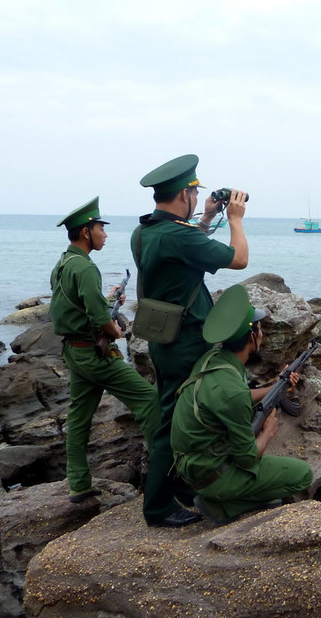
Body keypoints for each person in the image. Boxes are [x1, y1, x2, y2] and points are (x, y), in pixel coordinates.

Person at [133, 154, 248, 527]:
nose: (198, 199)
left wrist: (208, 218)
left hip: (163, 337)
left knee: (177, 415)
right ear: (184, 194)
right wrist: (235, 219)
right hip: (186, 343)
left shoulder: (146, 231)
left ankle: (181, 485)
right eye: (195, 194)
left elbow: (187, 245)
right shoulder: (178, 236)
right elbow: (239, 259)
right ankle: (157, 507)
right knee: (174, 424)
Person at [49, 197, 160, 505]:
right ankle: (163, 477)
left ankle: (79, 484)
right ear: (86, 232)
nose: (105, 234)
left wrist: (108, 301)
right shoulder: (85, 267)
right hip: (93, 354)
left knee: (79, 418)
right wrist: (117, 331)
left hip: (75, 352)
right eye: (100, 228)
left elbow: (76, 305)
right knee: (150, 400)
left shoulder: (63, 263)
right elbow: (100, 319)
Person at [172, 284, 313, 524]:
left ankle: (225, 495)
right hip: (213, 475)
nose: (262, 333)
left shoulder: (213, 360)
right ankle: (223, 505)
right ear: (251, 337)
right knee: (303, 475)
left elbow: (231, 398)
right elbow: (247, 458)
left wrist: (276, 386)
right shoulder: (232, 392)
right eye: (259, 328)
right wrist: (268, 431)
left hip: (193, 465)